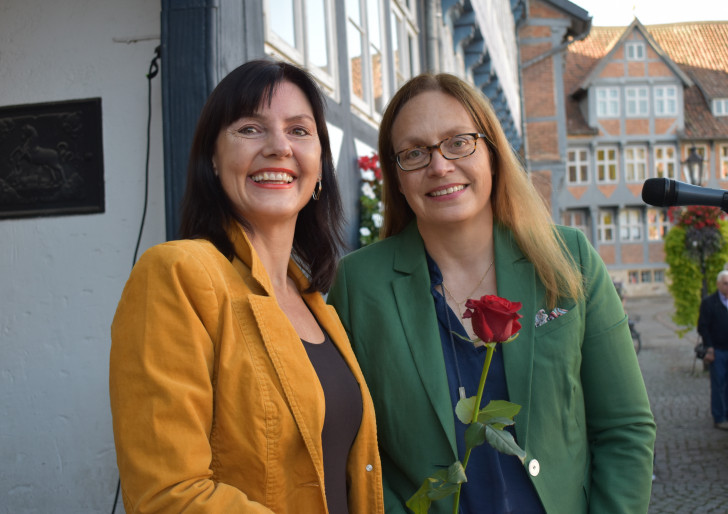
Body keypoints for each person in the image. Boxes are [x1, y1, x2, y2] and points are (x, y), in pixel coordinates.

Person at [328, 73, 656, 513]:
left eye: (458, 142)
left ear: (493, 153)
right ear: (398, 177)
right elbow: (354, 449)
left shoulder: (567, 258)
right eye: (414, 153)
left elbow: (625, 428)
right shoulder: (359, 284)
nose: (439, 165)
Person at [109, 59, 383, 513]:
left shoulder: (318, 305)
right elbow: (167, 497)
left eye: (299, 131)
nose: (279, 147)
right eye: (250, 129)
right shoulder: (177, 275)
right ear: (213, 159)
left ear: (319, 166)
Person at [697, 270, 728, 430]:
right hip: (717, 350)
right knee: (718, 384)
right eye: (725, 283)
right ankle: (719, 416)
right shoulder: (709, 302)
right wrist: (709, 347)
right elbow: (702, 327)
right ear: (718, 284)